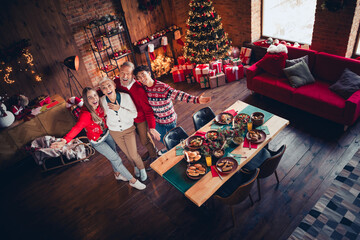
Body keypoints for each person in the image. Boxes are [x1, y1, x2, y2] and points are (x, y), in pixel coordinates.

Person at [50, 87, 146, 190]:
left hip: (107, 134)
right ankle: (132, 181)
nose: (94, 99)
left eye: (95, 95)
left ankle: (117, 174)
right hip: (97, 141)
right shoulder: (85, 114)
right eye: (89, 97)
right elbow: (77, 128)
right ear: (86, 100)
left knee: (114, 155)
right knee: (116, 159)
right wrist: (64, 140)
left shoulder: (100, 105)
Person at [133, 65, 212, 144]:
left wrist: (196, 99)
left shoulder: (162, 87)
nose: (142, 78)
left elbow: (178, 94)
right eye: (139, 77)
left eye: (143, 74)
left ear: (149, 73)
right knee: (163, 140)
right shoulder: (144, 89)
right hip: (158, 122)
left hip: (169, 120)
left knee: (174, 140)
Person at [98, 77, 148, 182]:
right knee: (127, 153)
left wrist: (119, 109)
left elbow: (134, 114)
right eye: (104, 88)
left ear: (114, 86)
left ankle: (142, 168)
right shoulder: (102, 101)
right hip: (115, 132)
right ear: (101, 90)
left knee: (133, 154)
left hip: (128, 129)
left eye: (109, 85)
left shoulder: (125, 97)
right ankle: (134, 167)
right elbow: (102, 116)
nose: (107, 89)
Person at [114, 62, 160, 164]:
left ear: (133, 76)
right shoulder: (116, 82)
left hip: (140, 118)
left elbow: (148, 111)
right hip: (127, 118)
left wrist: (152, 127)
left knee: (144, 140)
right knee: (141, 137)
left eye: (128, 73)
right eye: (122, 73)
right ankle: (153, 150)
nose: (125, 76)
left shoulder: (139, 89)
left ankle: (154, 155)